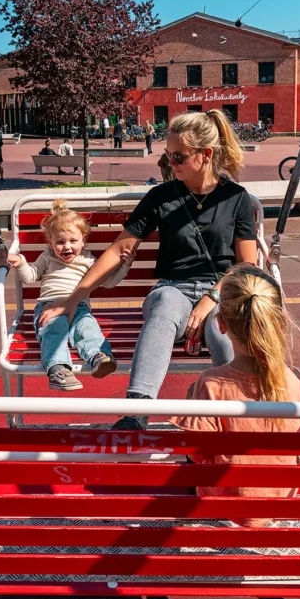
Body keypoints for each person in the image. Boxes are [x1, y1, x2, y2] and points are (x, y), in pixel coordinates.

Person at [37, 109, 257, 427]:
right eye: (168, 157)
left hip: (221, 291)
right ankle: (137, 410)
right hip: (173, 289)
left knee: (223, 331)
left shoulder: (235, 199)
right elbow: (121, 248)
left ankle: (238, 418)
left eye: (179, 157)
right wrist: (74, 298)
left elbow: (247, 265)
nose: (171, 164)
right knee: (165, 304)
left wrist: (210, 298)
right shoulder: (161, 197)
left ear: (206, 154)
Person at [170, 263, 300, 529]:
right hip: (281, 497)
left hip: (225, 503)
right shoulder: (292, 379)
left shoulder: (211, 384)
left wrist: (190, 402)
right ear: (276, 321)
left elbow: (197, 455)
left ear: (220, 324)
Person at [7, 200, 134, 391]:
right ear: (50, 243)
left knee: (87, 327)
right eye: (60, 242)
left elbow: (107, 282)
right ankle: (58, 369)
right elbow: (31, 277)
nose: (67, 247)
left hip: (79, 307)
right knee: (53, 328)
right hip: (49, 307)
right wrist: (21, 262)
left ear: (83, 240)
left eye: (73, 241)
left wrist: (124, 266)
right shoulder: (47, 256)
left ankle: (99, 356)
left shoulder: (88, 260)